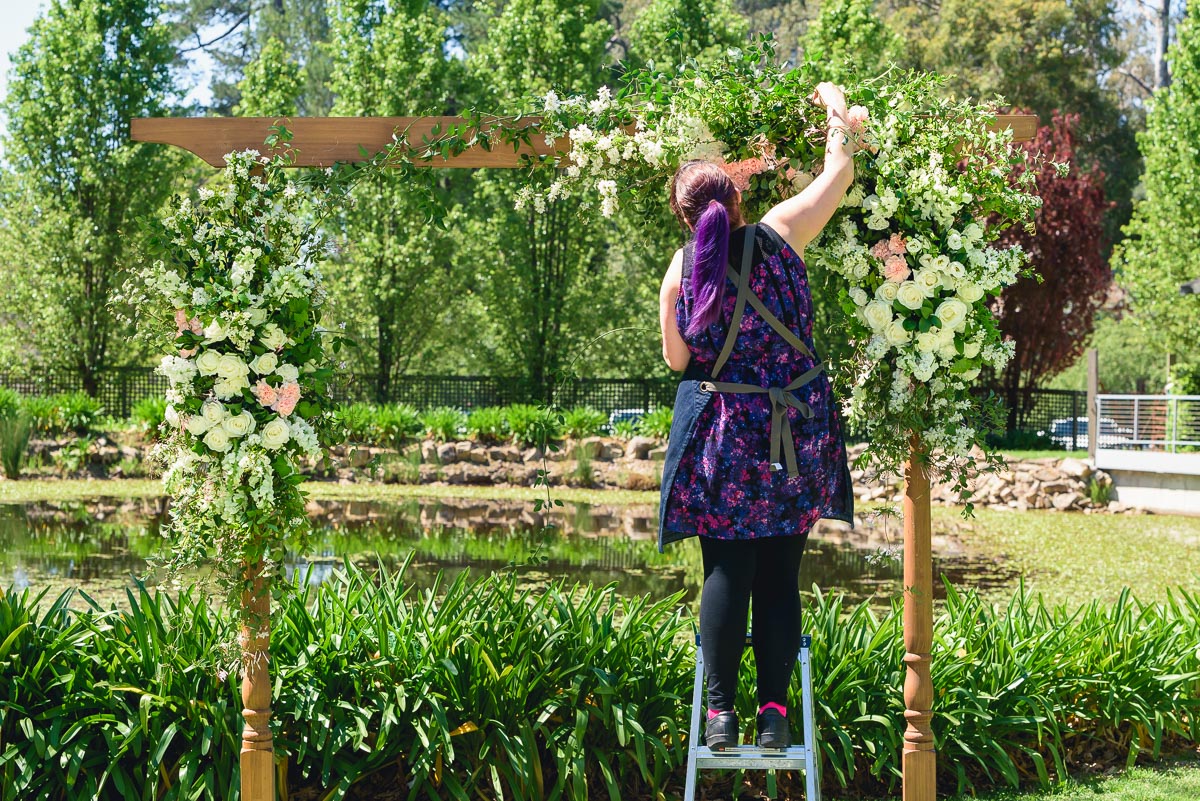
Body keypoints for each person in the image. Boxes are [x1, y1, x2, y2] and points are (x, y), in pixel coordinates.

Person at [656, 82, 857, 751]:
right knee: (779, 576)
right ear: (737, 200)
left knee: (725, 572)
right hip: (789, 438)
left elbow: (678, 358)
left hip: (721, 443)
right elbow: (841, 170)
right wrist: (836, 104)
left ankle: (720, 716)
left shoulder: (682, 268)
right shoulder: (782, 233)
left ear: (687, 219)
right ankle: (773, 715)